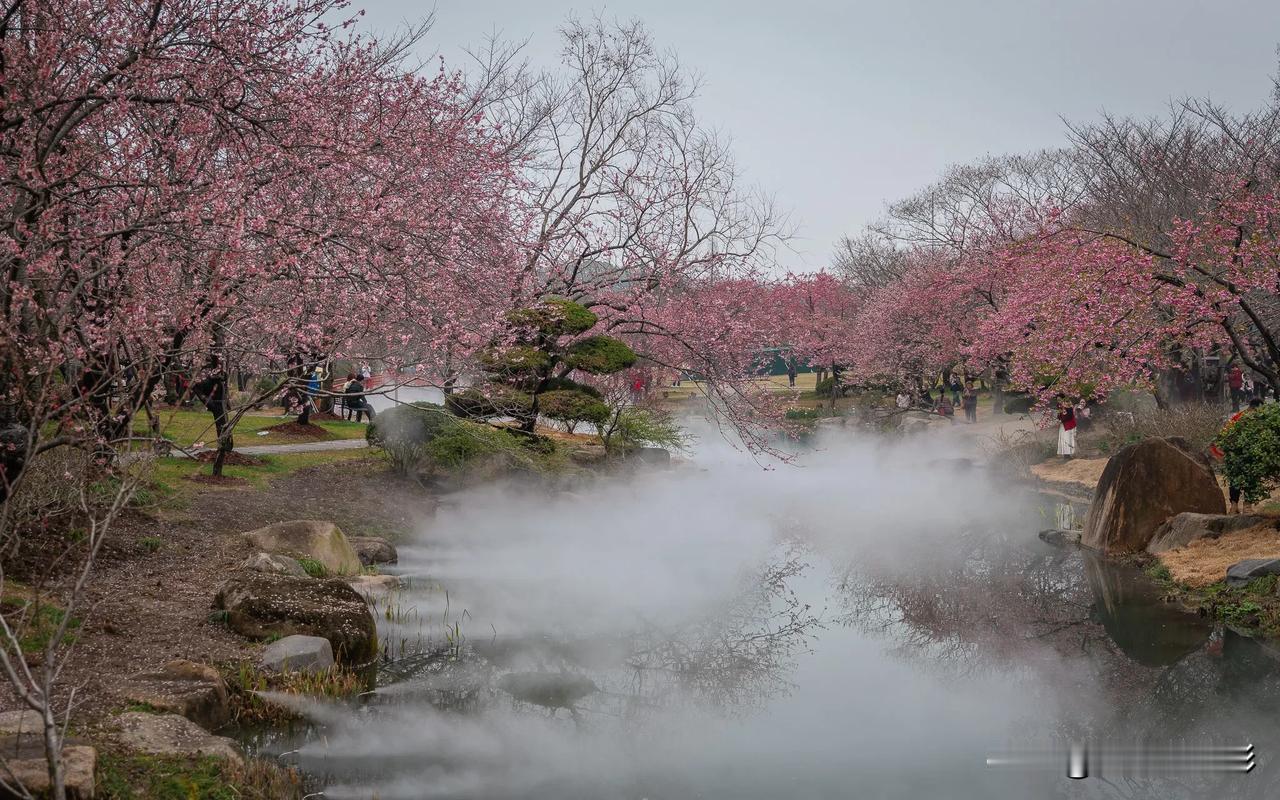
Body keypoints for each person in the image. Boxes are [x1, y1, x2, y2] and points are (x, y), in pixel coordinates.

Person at [1212, 397, 1262, 513]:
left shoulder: (1237, 417)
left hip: (1239, 454)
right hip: (1243, 454)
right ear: (1256, 408)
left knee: (1239, 479)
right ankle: (1241, 506)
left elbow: (1224, 434)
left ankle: (1239, 506)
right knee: (1247, 479)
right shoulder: (1250, 419)